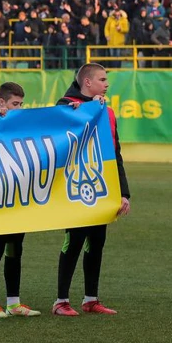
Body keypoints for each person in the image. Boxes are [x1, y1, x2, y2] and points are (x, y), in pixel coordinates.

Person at [52, 63, 132, 316]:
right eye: (102, 79)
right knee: (73, 241)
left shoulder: (106, 112)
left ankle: (90, 299)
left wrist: (124, 193)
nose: (107, 84)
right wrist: (84, 109)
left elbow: (115, 154)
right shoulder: (67, 106)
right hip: (74, 187)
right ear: (87, 82)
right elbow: (53, 125)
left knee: (96, 242)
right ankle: (60, 301)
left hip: (101, 187)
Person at [0, 82, 42, 319]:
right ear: (2, 102)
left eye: (21, 104)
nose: (19, 108)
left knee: (16, 249)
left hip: (18, 197)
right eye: (15, 104)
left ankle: (14, 302)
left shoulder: (20, 123)